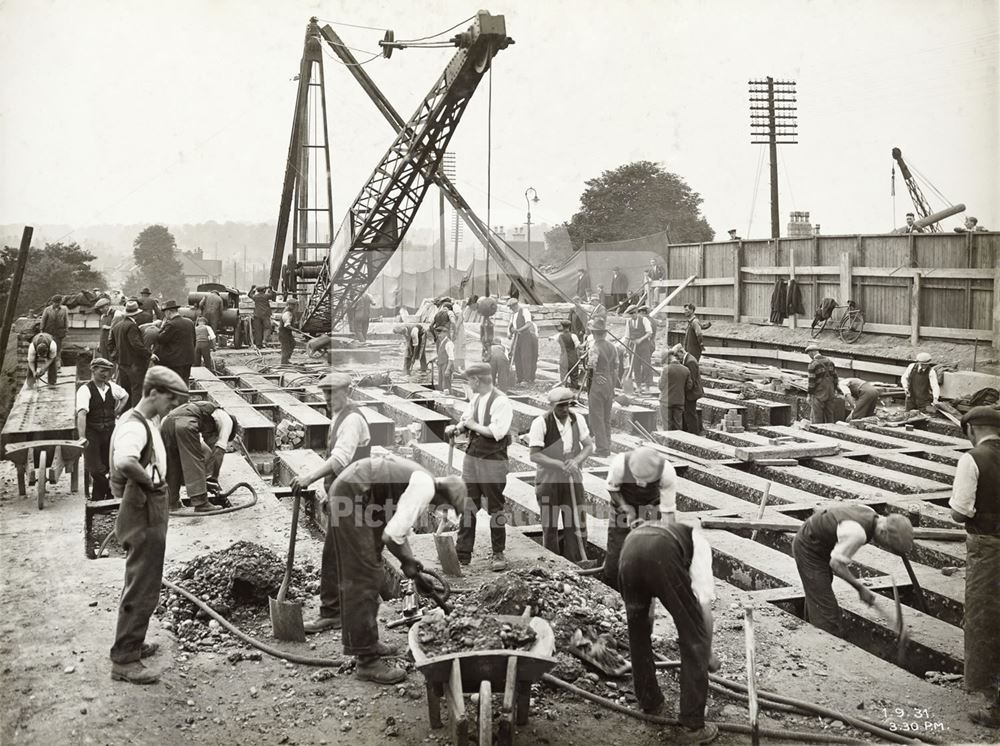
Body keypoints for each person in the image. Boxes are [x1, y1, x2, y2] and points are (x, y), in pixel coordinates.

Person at [325, 455, 467, 683]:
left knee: (372, 562)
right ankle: (367, 662)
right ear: (445, 498)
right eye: (447, 507)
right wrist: (407, 563)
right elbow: (391, 536)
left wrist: (410, 563)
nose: (440, 511)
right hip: (352, 495)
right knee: (365, 573)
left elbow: (396, 527)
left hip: (359, 493)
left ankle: (369, 643)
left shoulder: (420, 479)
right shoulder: (424, 488)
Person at [109, 366, 189, 684]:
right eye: (169, 399)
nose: (172, 405)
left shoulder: (147, 420)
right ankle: (125, 660)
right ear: (153, 393)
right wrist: (152, 483)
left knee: (144, 582)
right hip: (142, 509)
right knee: (142, 584)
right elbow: (125, 461)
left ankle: (133, 643)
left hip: (148, 508)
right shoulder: (134, 426)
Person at [619, 512, 719, 745]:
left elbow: (647, 612)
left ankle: (649, 701)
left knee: (637, 631)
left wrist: (645, 626)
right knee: (693, 635)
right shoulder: (700, 544)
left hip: (630, 549)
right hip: (661, 553)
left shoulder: (662, 529)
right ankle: (692, 726)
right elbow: (703, 608)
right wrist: (707, 652)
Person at [290, 372, 372, 635]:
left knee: (342, 556)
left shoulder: (351, 420)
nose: (326, 398)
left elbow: (340, 460)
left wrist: (309, 478)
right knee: (338, 555)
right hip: (344, 493)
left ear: (345, 392)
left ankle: (340, 613)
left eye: (331, 393)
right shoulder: (339, 416)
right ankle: (337, 610)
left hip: (354, 495)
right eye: (324, 393)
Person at [948, 406, 1000, 728]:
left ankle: (991, 703)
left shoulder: (972, 459)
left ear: (971, 430)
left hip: (987, 549)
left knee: (984, 620)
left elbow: (960, 512)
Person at [793, 503, 913, 638]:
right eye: (888, 545)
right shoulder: (857, 533)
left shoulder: (869, 512)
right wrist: (860, 588)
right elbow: (836, 564)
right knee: (827, 613)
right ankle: (824, 645)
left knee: (819, 594)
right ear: (883, 532)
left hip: (823, 543)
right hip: (809, 549)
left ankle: (810, 630)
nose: (884, 547)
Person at [448, 362, 513, 571]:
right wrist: (458, 428)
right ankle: (463, 552)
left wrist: (472, 425)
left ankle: (498, 552)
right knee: (468, 505)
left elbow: (496, 432)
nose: (468, 383)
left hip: (493, 461)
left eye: (469, 380)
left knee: (495, 508)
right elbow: (467, 419)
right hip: (472, 458)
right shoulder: (476, 398)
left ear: (477, 380)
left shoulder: (501, 402)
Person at [528, 386, 595, 561]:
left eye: (567, 405)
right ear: (551, 405)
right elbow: (534, 454)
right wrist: (559, 464)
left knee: (575, 520)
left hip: (572, 474)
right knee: (550, 524)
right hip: (549, 478)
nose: (565, 409)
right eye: (560, 406)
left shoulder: (577, 419)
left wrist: (576, 461)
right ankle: (552, 562)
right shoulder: (540, 423)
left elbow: (588, 446)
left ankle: (575, 559)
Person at [603, 446, 677, 589]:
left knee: (649, 550)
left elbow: (668, 511)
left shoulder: (667, 472)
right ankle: (611, 586)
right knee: (616, 551)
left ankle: (644, 588)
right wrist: (626, 509)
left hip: (651, 507)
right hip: (623, 503)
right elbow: (613, 490)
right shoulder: (620, 464)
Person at [161, 400, 237, 511]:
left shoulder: (202, 415)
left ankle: (171, 503)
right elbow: (219, 451)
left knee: (173, 463)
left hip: (166, 422)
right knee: (196, 459)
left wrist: (204, 481)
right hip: (184, 423)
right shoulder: (227, 421)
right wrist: (213, 478)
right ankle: (201, 503)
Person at [76, 357, 129, 501]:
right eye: (102, 371)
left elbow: (125, 396)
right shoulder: (85, 390)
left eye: (107, 371)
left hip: (110, 432)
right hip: (92, 434)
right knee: (95, 468)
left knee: (110, 465)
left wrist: (116, 412)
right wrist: (82, 437)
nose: (105, 374)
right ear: (93, 370)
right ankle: (110, 493)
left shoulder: (112, 387)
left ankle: (102, 499)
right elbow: (81, 414)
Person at [108, 300, 152, 407]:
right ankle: (136, 413)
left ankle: (125, 413)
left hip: (122, 363)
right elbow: (136, 344)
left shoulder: (117, 326)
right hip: (135, 364)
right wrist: (149, 354)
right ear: (136, 315)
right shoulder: (132, 326)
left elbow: (110, 344)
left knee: (126, 390)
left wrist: (116, 357)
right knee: (137, 389)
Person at [586, 319, 618, 457]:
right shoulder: (613, 347)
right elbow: (616, 367)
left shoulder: (594, 347)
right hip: (609, 381)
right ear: (604, 333)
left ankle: (602, 449)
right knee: (606, 417)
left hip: (598, 382)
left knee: (597, 417)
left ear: (593, 333)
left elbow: (590, 367)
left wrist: (591, 384)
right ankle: (607, 445)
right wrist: (612, 385)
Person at [155, 300, 196, 385]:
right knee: (184, 382)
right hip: (188, 358)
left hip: (175, 361)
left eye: (165, 313)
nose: (165, 315)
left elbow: (160, 339)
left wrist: (162, 326)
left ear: (168, 312)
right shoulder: (189, 322)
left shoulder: (171, 324)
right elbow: (194, 340)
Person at [671, 343, 703, 434]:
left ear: (681, 352)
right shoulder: (687, 359)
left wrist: (681, 389)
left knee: (691, 413)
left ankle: (694, 433)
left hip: (692, 393)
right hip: (690, 392)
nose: (677, 358)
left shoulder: (690, 362)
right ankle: (690, 431)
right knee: (688, 412)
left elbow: (691, 381)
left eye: (677, 356)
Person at [805, 343, 839, 424]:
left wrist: (809, 395)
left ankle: (817, 434)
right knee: (830, 415)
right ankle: (831, 431)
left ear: (811, 353)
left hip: (819, 393)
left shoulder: (813, 364)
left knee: (817, 416)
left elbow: (811, 382)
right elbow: (836, 378)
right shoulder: (830, 362)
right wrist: (835, 390)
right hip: (830, 392)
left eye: (809, 354)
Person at [660, 350, 693, 431]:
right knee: (678, 425)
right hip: (679, 401)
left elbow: (660, 386)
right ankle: (678, 441)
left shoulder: (666, 369)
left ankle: (667, 442)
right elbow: (689, 386)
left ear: (667, 359)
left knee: (667, 426)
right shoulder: (686, 370)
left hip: (666, 401)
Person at [507, 298, 538, 384]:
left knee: (526, 357)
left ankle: (527, 379)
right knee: (517, 356)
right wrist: (511, 331)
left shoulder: (525, 311)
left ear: (516, 305)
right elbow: (511, 325)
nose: (511, 309)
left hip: (526, 336)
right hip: (518, 337)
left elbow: (529, 324)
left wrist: (519, 329)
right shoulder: (513, 314)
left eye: (511, 307)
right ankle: (519, 377)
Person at [626, 305, 655, 394]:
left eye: (634, 313)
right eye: (631, 314)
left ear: (637, 312)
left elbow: (649, 333)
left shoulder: (644, 320)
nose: (633, 316)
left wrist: (640, 339)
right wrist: (626, 348)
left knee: (646, 366)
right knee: (635, 366)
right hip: (633, 347)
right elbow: (627, 336)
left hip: (644, 346)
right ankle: (638, 386)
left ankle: (647, 386)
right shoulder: (629, 322)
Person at [557, 320, 580, 388]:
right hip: (573, 357)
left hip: (563, 357)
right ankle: (574, 389)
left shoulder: (559, 336)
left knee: (563, 375)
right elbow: (579, 347)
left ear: (562, 326)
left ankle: (563, 389)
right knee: (574, 375)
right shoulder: (573, 336)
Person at [278, 299, 297, 365]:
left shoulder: (290, 312)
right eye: (293, 305)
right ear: (288, 305)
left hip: (287, 333)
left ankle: (286, 360)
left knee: (292, 344)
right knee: (286, 347)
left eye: (295, 305)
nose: (294, 307)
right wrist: (295, 330)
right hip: (284, 333)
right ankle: (284, 362)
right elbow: (287, 325)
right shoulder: (287, 313)